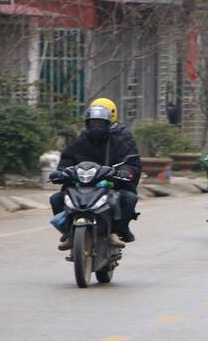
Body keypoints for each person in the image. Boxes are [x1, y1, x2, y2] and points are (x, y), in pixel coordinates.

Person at [50, 103, 141, 250]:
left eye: (100, 123)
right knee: (56, 199)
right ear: (87, 124)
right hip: (82, 184)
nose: (96, 127)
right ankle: (68, 233)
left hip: (111, 185)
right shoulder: (80, 142)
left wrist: (124, 172)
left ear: (108, 124)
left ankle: (116, 231)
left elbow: (129, 162)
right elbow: (67, 160)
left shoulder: (119, 141)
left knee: (129, 198)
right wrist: (60, 172)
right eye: (93, 123)